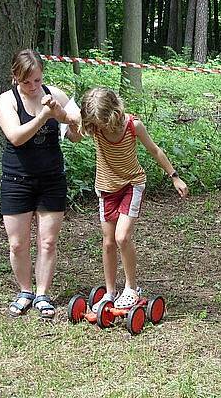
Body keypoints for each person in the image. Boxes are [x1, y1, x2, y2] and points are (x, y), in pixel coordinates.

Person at [80, 87, 189, 310]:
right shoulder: (94, 128)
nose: (97, 126)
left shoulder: (132, 125)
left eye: (100, 121)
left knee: (122, 237)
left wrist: (174, 176)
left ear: (112, 114)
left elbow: (155, 150)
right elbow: (69, 120)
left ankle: (131, 288)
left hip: (132, 185)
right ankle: (110, 292)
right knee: (109, 242)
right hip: (106, 188)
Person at [0, 49, 80, 319]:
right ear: (15, 78)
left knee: (48, 242)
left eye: (36, 80)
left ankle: (43, 294)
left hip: (52, 179)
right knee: (17, 244)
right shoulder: (6, 101)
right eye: (26, 82)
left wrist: (68, 119)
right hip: (16, 179)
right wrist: (45, 116)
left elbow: (76, 134)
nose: (33, 87)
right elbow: (16, 137)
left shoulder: (57, 95)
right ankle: (25, 291)